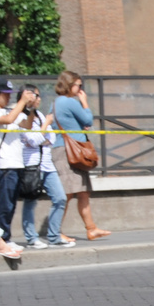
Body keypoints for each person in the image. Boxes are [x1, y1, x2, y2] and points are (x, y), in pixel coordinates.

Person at [53, 71, 109, 240]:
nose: (80, 89)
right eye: (78, 85)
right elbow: (88, 119)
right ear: (69, 84)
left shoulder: (56, 102)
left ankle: (91, 228)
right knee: (68, 193)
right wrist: (84, 103)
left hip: (68, 151)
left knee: (83, 192)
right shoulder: (70, 101)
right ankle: (55, 232)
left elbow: (69, 122)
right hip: (69, 151)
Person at [17, 89, 71, 248]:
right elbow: (32, 140)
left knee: (60, 198)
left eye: (39, 95)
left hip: (47, 165)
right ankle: (32, 238)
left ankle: (54, 236)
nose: (38, 98)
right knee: (30, 202)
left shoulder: (40, 115)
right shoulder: (21, 116)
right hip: (32, 165)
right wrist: (45, 126)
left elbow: (51, 138)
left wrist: (42, 134)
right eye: (35, 95)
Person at [0, 77, 34, 237]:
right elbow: (9, 120)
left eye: (10, 94)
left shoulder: (10, 110)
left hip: (17, 164)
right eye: (5, 94)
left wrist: (29, 108)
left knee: (11, 205)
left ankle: (5, 237)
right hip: (4, 165)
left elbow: (27, 125)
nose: (9, 97)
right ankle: (0, 239)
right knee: (4, 205)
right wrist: (22, 102)